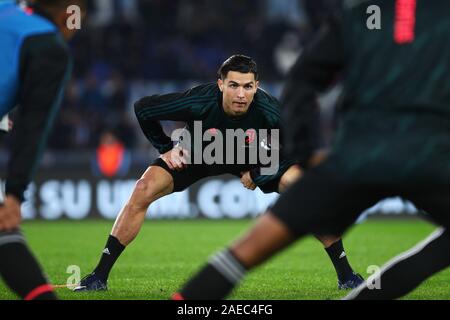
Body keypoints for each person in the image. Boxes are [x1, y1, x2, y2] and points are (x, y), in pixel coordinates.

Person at [174, 0, 450, 300]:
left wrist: (306, 153)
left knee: (245, 252)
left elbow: (302, 80)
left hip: (354, 158)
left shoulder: (357, 18)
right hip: (428, 157)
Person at [74, 54, 363, 292]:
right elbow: (144, 108)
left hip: (254, 157)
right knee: (143, 188)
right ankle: (99, 277)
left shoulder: (272, 111)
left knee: (303, 191)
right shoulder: (199, 101)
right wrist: (166, 148)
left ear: (257, 86)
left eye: (248, 87)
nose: (241, 94)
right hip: (198, 154)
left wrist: (259, 171)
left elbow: (295, 147)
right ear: (220, 84)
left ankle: (347, 276)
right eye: (234, 85)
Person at [0, 0, 85, 300]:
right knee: (4, 230)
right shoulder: (49, 45)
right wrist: (14, 194)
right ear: (68, 14)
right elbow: (32, 126)